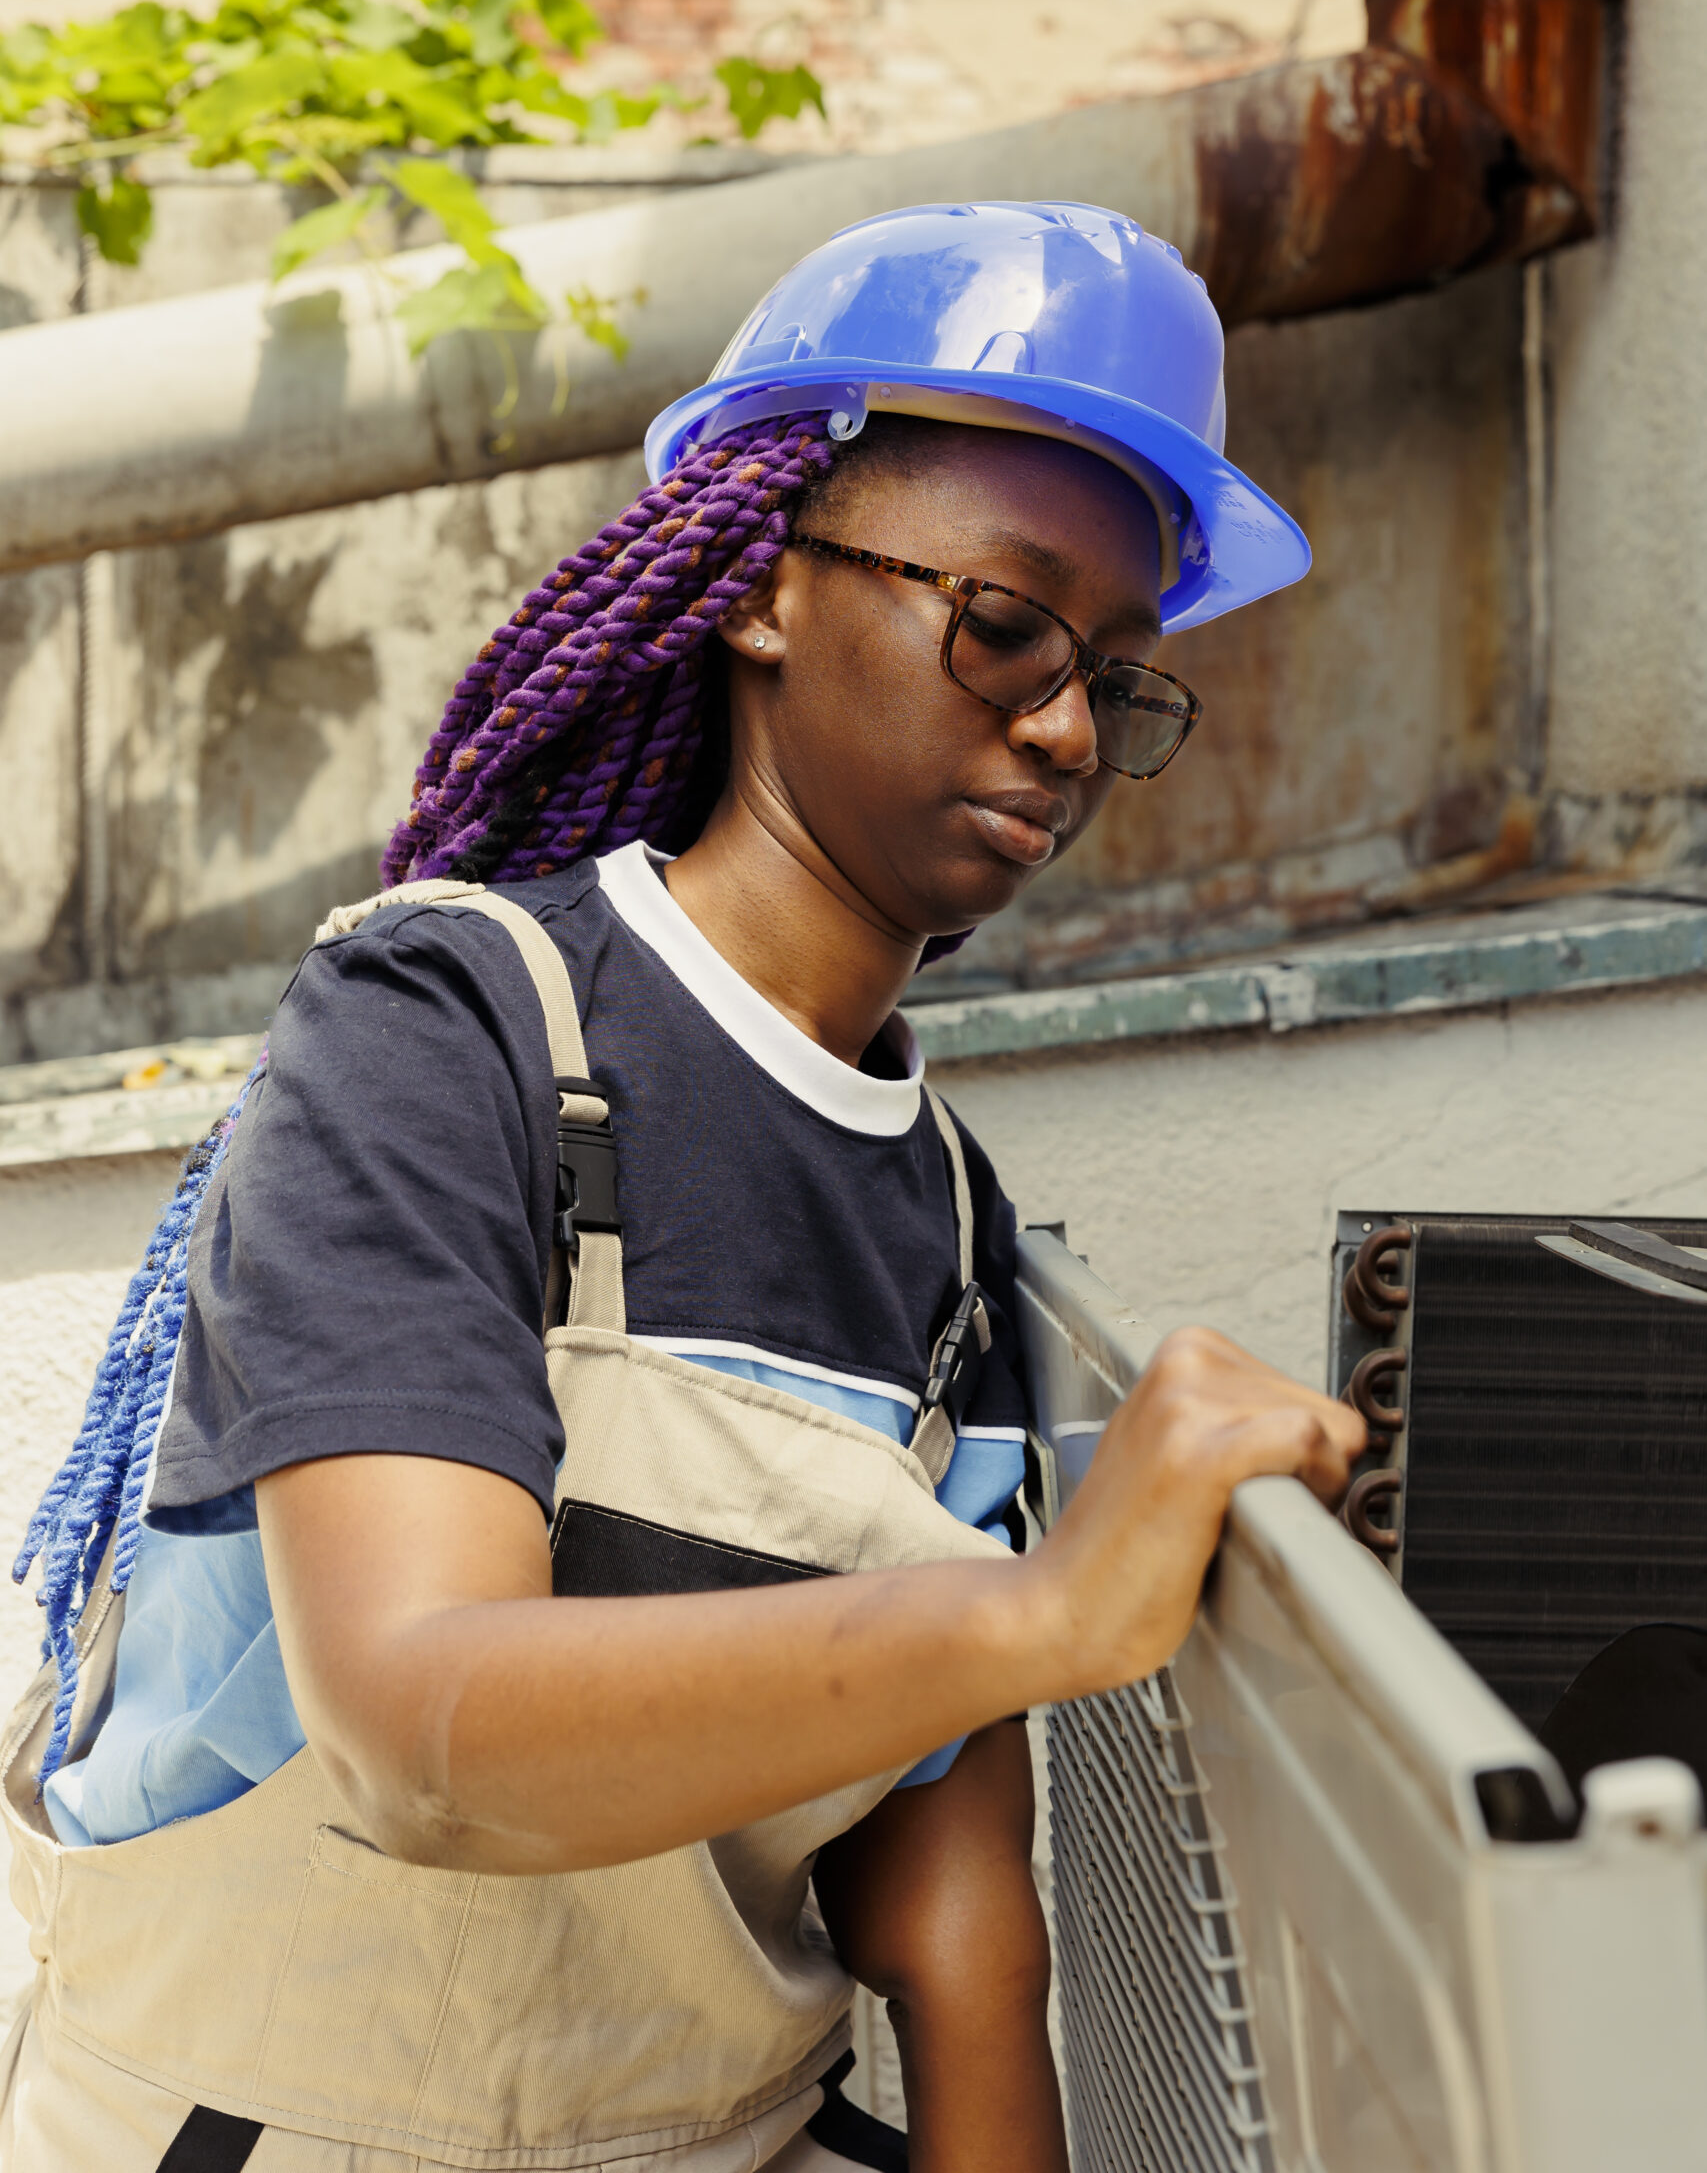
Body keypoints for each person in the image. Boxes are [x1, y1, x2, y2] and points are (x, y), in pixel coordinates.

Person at [2, 199, 1362, 2173]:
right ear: (757, 587)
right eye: (1001, 621)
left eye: (1114, 672)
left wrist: (1043, 1611)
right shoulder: (448, 1022)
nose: (1063, 728)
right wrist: (1053, 1602)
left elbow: (963, 1944)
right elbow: (418, 1729)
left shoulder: (953, 1235)